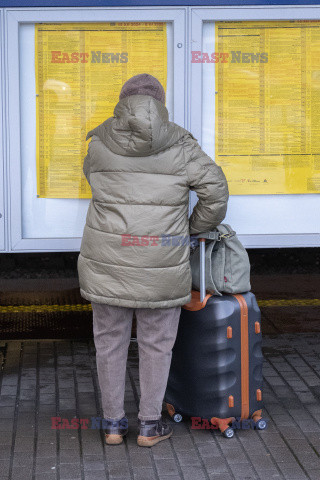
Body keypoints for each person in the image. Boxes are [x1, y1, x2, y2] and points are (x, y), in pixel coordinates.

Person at [77, 73, 229, 447]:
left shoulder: (99, 142)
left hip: (107, 262)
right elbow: (217, 192)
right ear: (160, 105)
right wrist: (191, 230)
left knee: (109, 342)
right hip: (162, 261)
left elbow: (92, 179)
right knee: (157, 343)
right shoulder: (181, 143)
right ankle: (149, 425)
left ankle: (112, 425)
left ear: (121, 102)